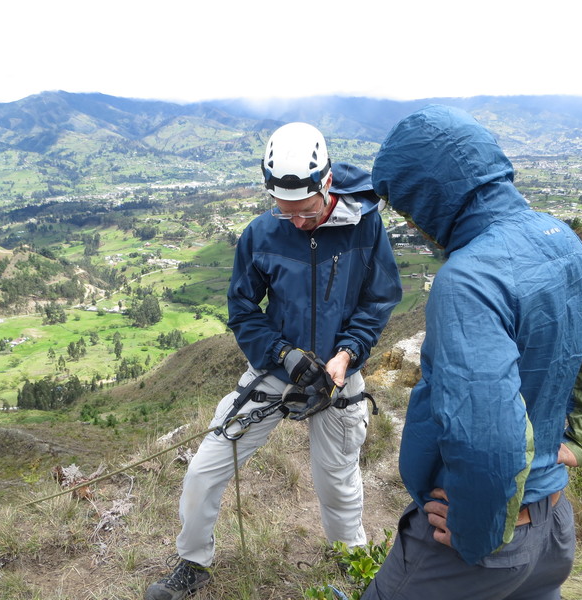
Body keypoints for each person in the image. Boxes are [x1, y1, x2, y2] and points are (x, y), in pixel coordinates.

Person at [361, 105, 582, 600]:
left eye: (407, 206)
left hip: (480, 547)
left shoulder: (468, 279)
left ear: (431, 194)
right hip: (552, 527)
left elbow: (487, 437)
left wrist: (476, 531)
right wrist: (580, 436)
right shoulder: (561, 237)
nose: (413, 221)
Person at [144, 122, 402, 600]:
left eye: (304, 212)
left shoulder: (365, 225)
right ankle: (193, 562)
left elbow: (378, 299)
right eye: (285, 212)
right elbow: (242, 309)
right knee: (205, 469)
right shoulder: (263, 233)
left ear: (325, 185)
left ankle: (355, 566)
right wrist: (283, 354)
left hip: (337, 374)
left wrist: (345, 357)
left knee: (337, 482)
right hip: (275, 369)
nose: (296, 222)